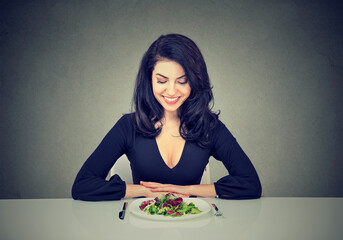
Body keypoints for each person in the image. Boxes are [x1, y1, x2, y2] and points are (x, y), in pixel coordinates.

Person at [72, 34, 262, 201]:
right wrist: (144, 191)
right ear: (149, 79)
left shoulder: (209, 126)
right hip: (141, 227)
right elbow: (83, 185)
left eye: (182, 81)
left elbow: (250, 184)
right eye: (162, 81)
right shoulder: (128, 126)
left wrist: (187, 191)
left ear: (195, 82)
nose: (171, 91)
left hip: (194, 227)